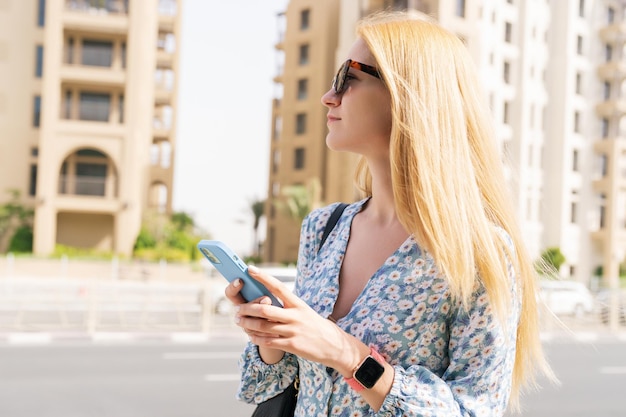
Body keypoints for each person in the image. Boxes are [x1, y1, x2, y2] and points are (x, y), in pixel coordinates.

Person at [226, 9, 555, 416]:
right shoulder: (323, 229)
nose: (329, 97)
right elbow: (267, 387)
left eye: (348, 79)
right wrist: (271, 338)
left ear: (407, 95)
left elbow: (475, 410)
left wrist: (348, 355)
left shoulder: (479, 253)